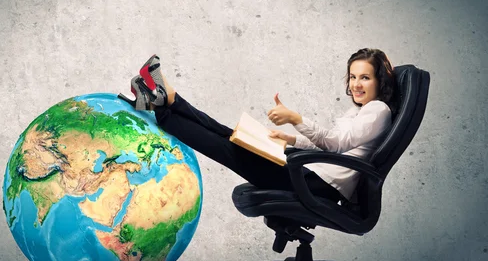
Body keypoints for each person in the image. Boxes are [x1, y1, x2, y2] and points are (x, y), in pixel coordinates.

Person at [118, 48, 396, 203]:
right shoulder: (361, 111)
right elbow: (334, 145)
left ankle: (162, 105)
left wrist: (296, 119)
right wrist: (289, 139)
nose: (356, 85)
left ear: (380, 81)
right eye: (353, 77)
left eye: (365, 78)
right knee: (231, 135)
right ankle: (166, 100)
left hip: (316, 184)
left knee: (226, 148)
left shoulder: (378, 110)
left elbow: (336, 144)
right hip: (308, 171)